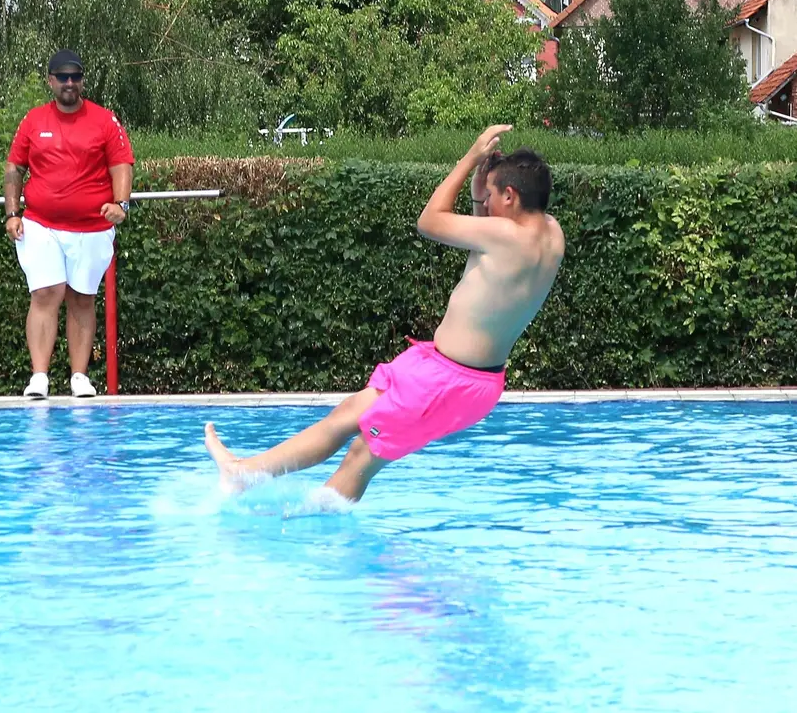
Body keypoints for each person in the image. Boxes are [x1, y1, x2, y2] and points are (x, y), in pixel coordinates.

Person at [203, 125, 565, 502]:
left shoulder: (505, 237)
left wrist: (470, 159)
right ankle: (243, 473)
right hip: (453, 375)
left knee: (363, 453)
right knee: (347, 414)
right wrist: (479, 194)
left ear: (510, 195)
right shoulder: (551, 236)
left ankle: (318, 537)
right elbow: (486, 238)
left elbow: (429, 220)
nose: (486, 204)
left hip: (447, 382)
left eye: (490, 195)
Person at [4, 49, 135, 399]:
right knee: (46, 293)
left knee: (81, 297)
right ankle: (39, 377)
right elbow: (15, 168)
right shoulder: (33, 121)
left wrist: (121, 205)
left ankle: (79, 376)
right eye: (62, 77)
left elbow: (121, 163)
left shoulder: (105, 120)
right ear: (51, 81)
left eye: (75, 77)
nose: (69, 83)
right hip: (41, 224)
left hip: (92, 227)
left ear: (82, 81)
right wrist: (12, 213)